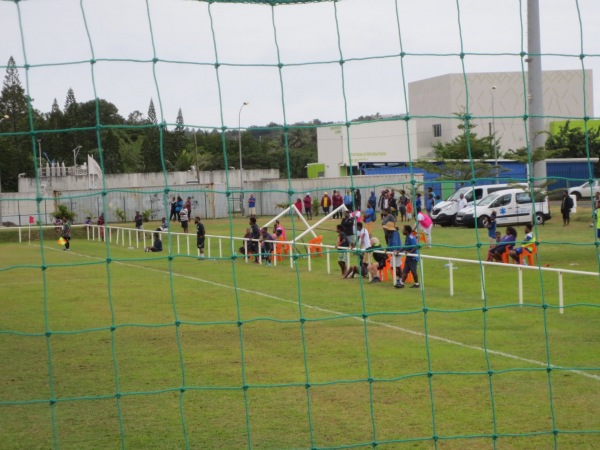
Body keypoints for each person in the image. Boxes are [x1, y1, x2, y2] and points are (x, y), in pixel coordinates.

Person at [395, 224, 420, 289]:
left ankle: (417, 284)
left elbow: (416, 247)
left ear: (407, 231)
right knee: (405, 271)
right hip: (408, 257)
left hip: (413, 257)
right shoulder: (407, 237)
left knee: (413, 271)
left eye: (403, 230)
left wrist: (409, 252)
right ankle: (401, 283)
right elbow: (405, 246)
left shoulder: (411, 238)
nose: (402, 231)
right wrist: (399, 251)